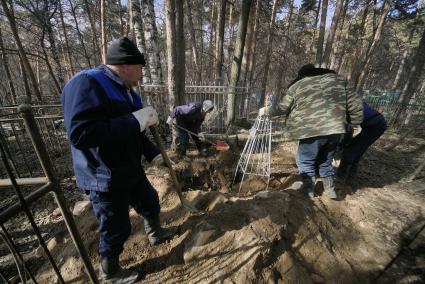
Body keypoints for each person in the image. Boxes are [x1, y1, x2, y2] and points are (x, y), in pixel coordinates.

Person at [61, 37, 178, 283]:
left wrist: (153, 152)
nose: (143, 73)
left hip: (129, 167)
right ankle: (110, 271)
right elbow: (81, 134)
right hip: (103, 174)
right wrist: (135, 120)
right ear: (125, 65)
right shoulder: (87, 83)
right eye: (140, 67)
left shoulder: (128, 91)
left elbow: (135, 132)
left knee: (149, 200)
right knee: (116, 226)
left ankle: (156, 234)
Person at [259, 64, 363, 199]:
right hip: (335, 129)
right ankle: (330, 190)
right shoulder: (339, 81)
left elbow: (283, 107)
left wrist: (267, 110)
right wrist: (354, 124)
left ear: (303, 75)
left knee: (305, 160)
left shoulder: (298, 85)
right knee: (326, 160)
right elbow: (355, 104)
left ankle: (308, 189)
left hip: (310, 130)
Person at [337, 102, 387, 180]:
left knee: (351, 150)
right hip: (374, 123)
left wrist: (343, 144)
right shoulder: (355, 101)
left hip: (375, 126)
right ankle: (350, 174)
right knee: (358, 149)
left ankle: (341, 175)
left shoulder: (346, 108)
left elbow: (348, 131)